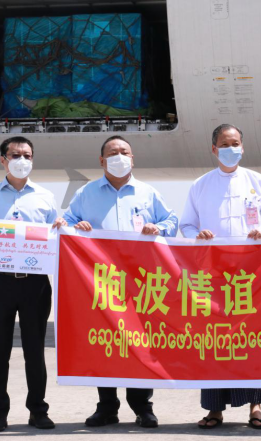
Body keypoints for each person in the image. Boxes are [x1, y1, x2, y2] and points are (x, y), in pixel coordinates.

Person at [63, 135, 178, 429]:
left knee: (140, 342)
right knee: (105, 342)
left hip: (141, 283)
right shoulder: (86, 193)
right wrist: (76, 226)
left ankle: (142, 407)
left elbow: (172, 222)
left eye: (124, 152)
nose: (119, 157)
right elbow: (65, 223)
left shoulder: (148, 193)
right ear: (102, 160)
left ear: (132, 158)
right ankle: (107, 407)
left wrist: (158, 227)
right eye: (112, 152)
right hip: (100, 282)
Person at [179, 123, 261, 430]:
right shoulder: (200, 185)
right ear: (214, 149)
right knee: (213, 338)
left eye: (235, 143)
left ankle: (255, 407)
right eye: (224, 144)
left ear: (243, 147)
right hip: (212, 275)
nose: (231, 149)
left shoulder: (258, 182)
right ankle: (214, 409)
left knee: (251, 338)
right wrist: (198, 237)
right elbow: (186, 226)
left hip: (251, 274)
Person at [0, 136, 67, 432]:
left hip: (35, 284)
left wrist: (61, 229)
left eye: (27, 155)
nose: (22, 160)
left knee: (35, 350)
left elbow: (55, 239)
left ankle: (38, 410)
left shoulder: (45, 197)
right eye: (15, 155)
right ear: (3, 160)